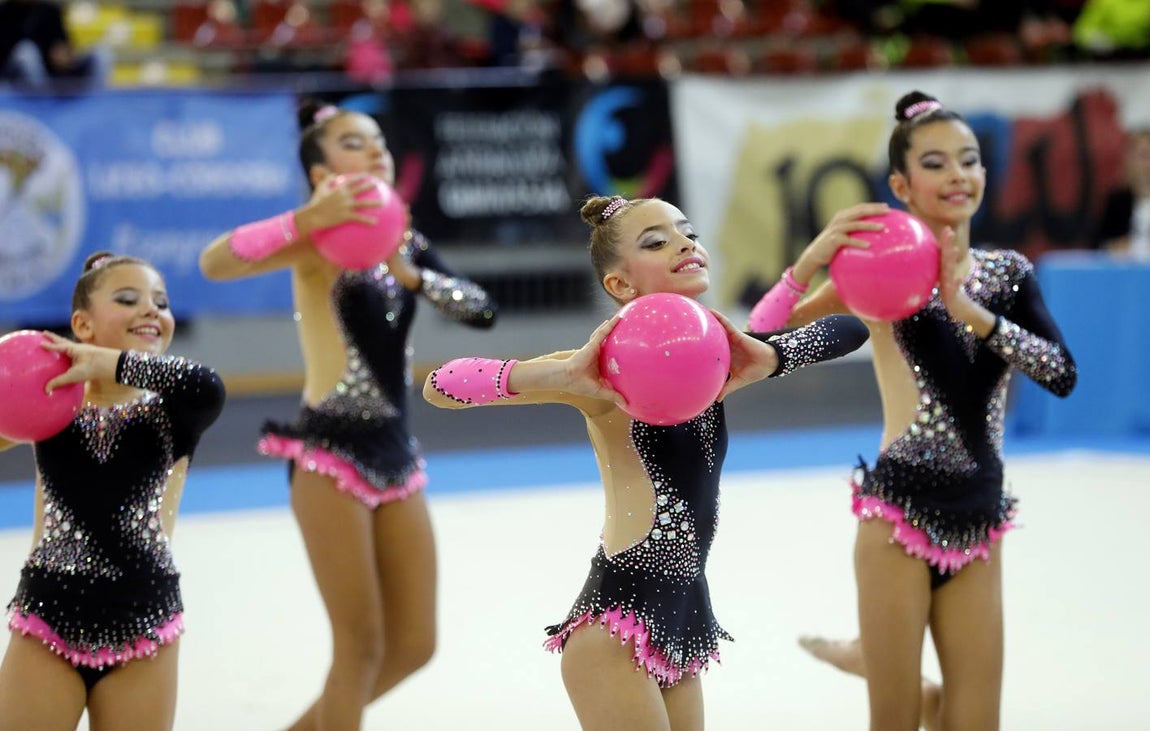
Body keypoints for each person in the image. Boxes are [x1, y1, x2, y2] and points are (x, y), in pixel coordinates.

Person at [423, 194, 869, 730]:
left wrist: (773, 354)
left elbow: (850, 330)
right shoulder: (598, 372)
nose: (684, 244)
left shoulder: (720, 354)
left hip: (681, 621)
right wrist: (558, 375)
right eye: (656, 242)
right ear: (620, 284)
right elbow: (440, 386)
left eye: (688, 233)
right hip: (614, 628)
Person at [749, 91, 1078, 730]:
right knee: (894, 720)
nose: (957, 174)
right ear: (900, 185)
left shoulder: (1007, 274)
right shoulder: (877, 270)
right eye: (935, 163)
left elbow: (1061, 374)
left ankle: (885, 666)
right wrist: (808, 265)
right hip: (897, 520)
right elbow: (759, 341)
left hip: (980, 519)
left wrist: (974, 316)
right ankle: (885, 666)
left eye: (969, 159)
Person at [198, 101, 497, 731]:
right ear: (319, 172)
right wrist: (306, 219)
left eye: (378, 140)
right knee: (358, 647)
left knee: (414, 644)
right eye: (355, 142)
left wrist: (411, 274)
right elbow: (216, 262)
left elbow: (481, 310)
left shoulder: (404, 238)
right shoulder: (313, 240)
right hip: (328, 454)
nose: (376, 150)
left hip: (397, 451)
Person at [0, 252, 226, 731]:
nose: (150, 310)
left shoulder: (174, 411)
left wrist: (104, 362)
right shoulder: (50, 401)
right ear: (82, 324)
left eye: (161, 302)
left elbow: (207, 386)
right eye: (127, 299)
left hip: (144, 622)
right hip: (48, 616)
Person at [0, 0, 111, 89]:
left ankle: (93, 100)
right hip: (15, 76)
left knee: (101, 54)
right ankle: (42, 99)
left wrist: (64, 55)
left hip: (53, 72)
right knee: (27, 52)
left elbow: (64, 43)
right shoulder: (4, 12)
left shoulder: (51, 11)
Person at [1092, 126, 1150, 260]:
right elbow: (1097, 246)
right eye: (1143, 156)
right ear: (1128, 160)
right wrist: (1112, 247)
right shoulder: (1117, 202)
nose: (1147, 164)